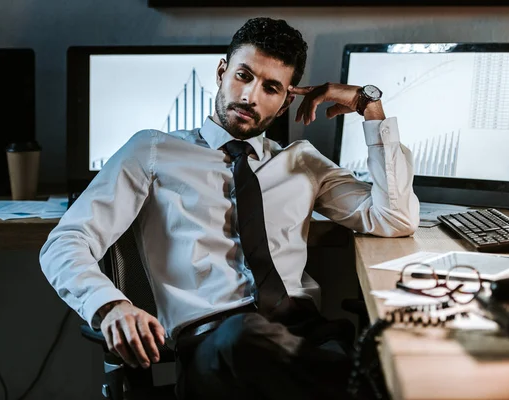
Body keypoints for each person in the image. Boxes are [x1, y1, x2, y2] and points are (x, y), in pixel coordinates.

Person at [40, 17, 419, 400]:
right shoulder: (153, 151)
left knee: (389, 339)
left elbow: (394, 218)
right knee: (247, 337)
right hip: (213, 348)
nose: (250, 96)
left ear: (287, 101)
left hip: (304, 333)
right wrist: (110, 306)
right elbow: (66, 241)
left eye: (270, 88)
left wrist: (370, 108)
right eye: (243, 75)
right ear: (222, 72)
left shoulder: (302, 161)